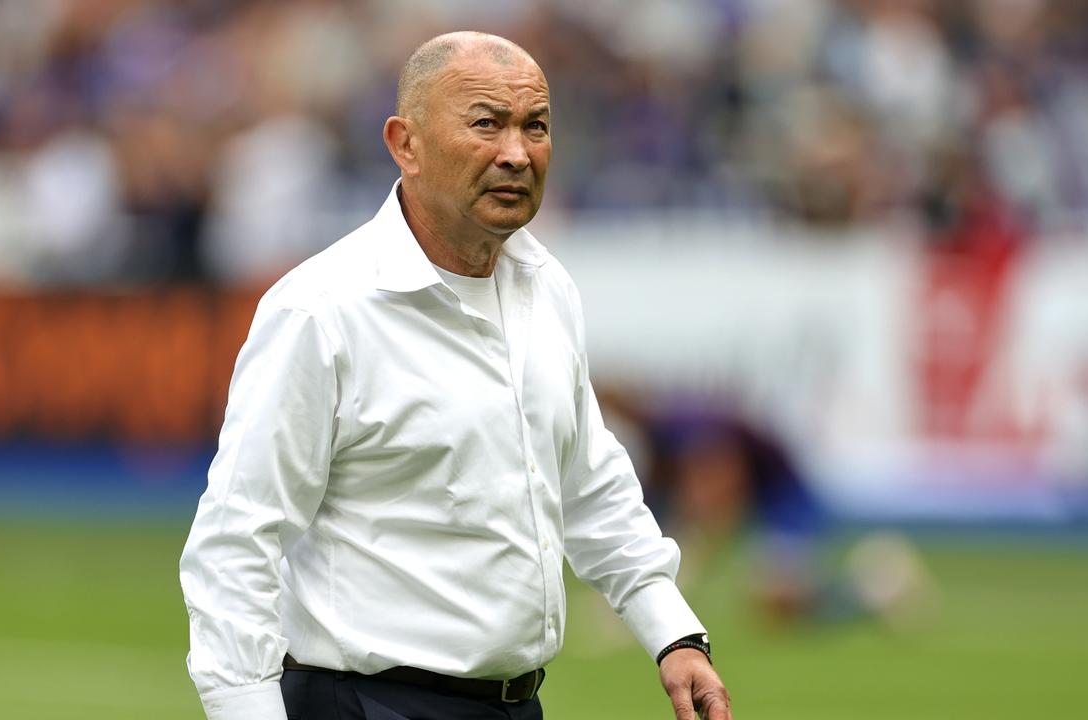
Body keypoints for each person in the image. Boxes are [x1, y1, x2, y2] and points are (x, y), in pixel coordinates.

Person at [180, 31, 732, 720]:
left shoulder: (545, 286)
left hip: (515, 704)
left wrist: (673, 633)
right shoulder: (319, 312)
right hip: (366, 704)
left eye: (536, 126)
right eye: (486, 123)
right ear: (404, 143)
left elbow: (588, 482)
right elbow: (237, 539)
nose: (516, 152)